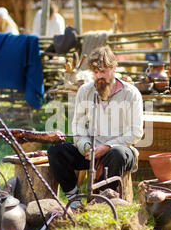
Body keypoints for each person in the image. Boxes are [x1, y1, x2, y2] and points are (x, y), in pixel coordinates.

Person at [47, 46, 144, 209]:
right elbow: (78, 125)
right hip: (89, 151)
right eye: (96, 72)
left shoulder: (131, 94)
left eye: (104, 71)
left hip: (121, 150)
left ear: (114, 68)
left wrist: (106, 147)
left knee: (116, 154)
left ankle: (101, 204)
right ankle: (75, 201)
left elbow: (136, 133)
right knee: (56, 152)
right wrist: (87, 147)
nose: (99, 76)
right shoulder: (85, 91)